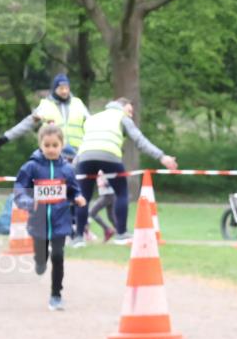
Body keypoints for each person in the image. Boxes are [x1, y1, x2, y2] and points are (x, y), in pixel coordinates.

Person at [72, 98, 177, 246]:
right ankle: (121, 234)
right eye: (129, 111)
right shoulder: (121, 117)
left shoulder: (92, 118)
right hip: (110, 155)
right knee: (121, 193)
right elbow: (139, 140)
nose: (131, 115)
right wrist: (161, 156)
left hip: (85, 157)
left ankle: (78, 238)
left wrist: (71, 168)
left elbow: (85, 142)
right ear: (121, 107)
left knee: (84, 197)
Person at [13, 124, 86, 311]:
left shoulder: (68, 169)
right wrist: (30, 203)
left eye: (55, 145)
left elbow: (73, 190)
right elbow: (19, 190)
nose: (51, 149)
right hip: (38, 222)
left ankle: (56, 295)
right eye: (47, 145)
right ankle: (39, 261)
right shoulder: (31, 167)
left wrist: (77, 198)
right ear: (40, 145)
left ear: (62, 145)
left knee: (58, 256)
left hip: (61, 220)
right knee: (42, 256)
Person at [0, 74, 90, 152]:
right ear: (54, 89)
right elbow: (26, 124)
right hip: (53, 152)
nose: (64, 91)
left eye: (66, 88)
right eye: (61, 88)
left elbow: (92, 124)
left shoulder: (78, 103)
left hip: (77, 153)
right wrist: (5, 138)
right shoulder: (45, 105)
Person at [88, 171, 117, 243]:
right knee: (111, 217)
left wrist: (107, 183)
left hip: (108, 195)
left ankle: (108, 230)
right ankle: (121, 232)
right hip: (108, 194)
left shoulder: (105, 166)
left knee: (92, 212)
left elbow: (113, 178)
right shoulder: (98, 168)